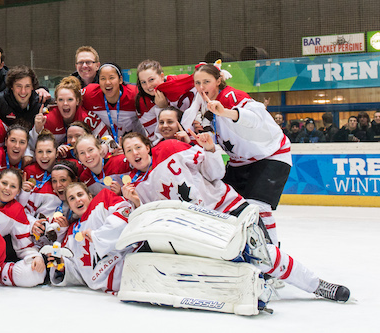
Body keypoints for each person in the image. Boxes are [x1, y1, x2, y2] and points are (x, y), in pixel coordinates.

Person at [119, 132, 350, 302]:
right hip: (204, 228)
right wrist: (137, 203)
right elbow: (155, 219)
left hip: (230, 208)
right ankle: (263, 281)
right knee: (241, 264)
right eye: (128, 150)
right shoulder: (135, 186)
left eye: (137, 147)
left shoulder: (171, 148)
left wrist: (210, 151)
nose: (134, 153)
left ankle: (318, 286)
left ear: (147, 146)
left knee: (266, 254)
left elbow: (216, 172)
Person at [182, 62, 291, 244]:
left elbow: (256, 119)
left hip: (271, 155)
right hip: (239, 162)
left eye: (206, 81)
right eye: (197, 83)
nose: (201, 87)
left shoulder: (231, 96)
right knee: (223, 203)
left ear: (218, 81)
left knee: (258, 206)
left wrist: (226, 112)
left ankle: (271, 253)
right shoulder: (201, 106)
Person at [44, 182, 137, 294]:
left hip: (132, 268)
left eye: (80, 194)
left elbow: (126, 216)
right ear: (70, 206)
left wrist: (97, 236)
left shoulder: (104, 199)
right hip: (108, 289)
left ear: (89, 196)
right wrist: (62, 264)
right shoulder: (71, 232)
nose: (77, 200)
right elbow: (78, 270)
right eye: (72, 198)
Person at [0, 169, 47, 287]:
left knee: (35, 274)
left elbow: (25, 246)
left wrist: (36, 257)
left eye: (13, 186)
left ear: (18, 191)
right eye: (4, 183)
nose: (7, 189)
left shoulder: (16, 211)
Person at [33, 76, 109, 148]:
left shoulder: (89, 119)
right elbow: (34, 148)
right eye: (61, 100)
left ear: (77, 101)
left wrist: (102, 149)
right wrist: (37, 130)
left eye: (70, 99)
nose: (65, 103)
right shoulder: (47, 119)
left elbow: (108, 141)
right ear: (56, 101)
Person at [135, 60, 195, 145]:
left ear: (162, 76)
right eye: (143, 82)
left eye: (151, 80)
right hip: (169, 145)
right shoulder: (143, 103)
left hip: (196, 138)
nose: (148, 86)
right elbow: (155, 138)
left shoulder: (179, 82)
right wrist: (162, 109)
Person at [80, 63, 140, 146]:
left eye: (111, 78)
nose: (107, 82)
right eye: (103, 78)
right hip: (103, 145)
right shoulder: (89, 94)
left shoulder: (134, 94)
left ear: (120, 80)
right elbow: (69, 98)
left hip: (132, 143)